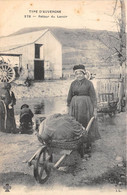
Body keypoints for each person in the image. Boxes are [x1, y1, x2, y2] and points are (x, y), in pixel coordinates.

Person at [67, 64, 101, 149]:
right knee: (75, 123)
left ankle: (87, 142)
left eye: (80, 74)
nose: (79, 75)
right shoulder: (73, 84)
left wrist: (95, 109)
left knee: (86, 122)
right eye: (77, 74)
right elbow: (69, 96)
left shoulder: (89, 83)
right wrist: (68, 107)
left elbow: (93, 97)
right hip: (74, 106)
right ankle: (77, 142)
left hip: (86, 106)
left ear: (84, 74)